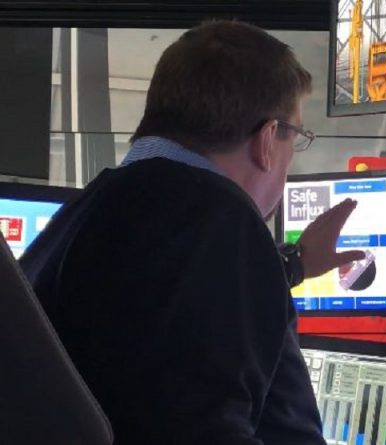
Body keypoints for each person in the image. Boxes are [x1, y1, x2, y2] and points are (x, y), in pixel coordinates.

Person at [20, 20, 363, 444]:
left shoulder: (94, 207)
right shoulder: (225, 219)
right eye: (296, 135)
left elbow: (162, 297)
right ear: (267, 140)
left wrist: (293, 264)